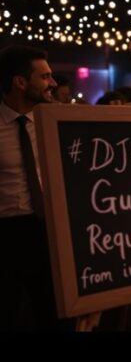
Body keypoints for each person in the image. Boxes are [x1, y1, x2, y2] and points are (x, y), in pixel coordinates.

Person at [0, 44, 64, 330]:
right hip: (5, 233)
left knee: (54, 313)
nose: (53, 83)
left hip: (47, 229)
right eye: (45, 76)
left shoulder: (53, 120)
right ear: (20, 82)